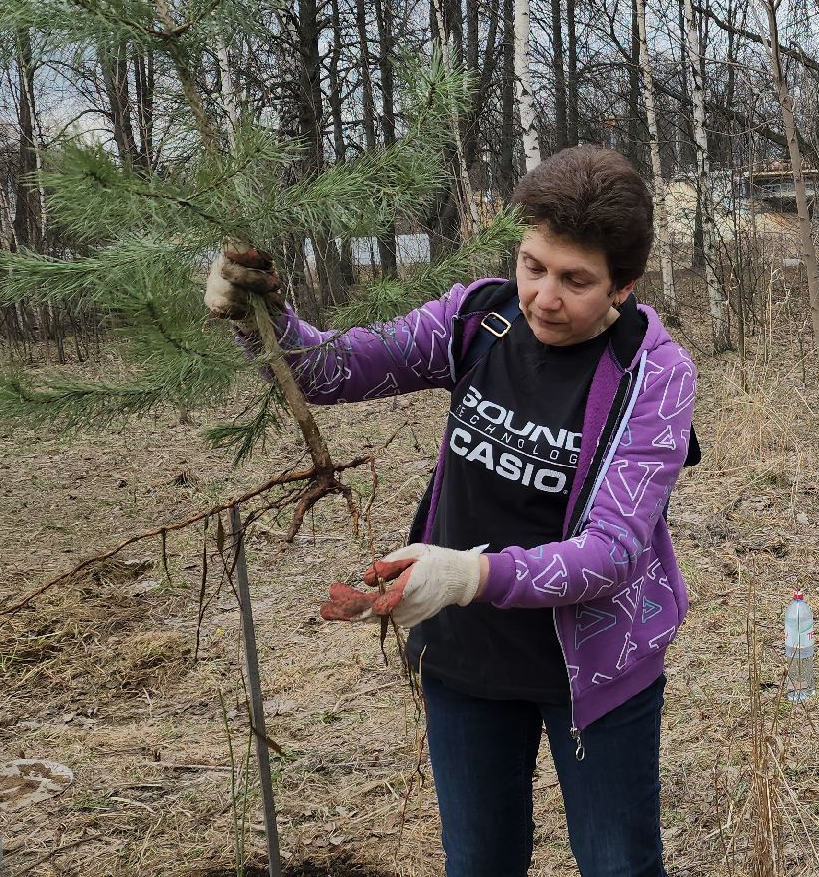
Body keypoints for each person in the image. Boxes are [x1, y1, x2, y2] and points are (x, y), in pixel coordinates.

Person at [204, 145, 698, 877]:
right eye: (533, 265)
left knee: (618, 864)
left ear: (623, 285)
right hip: (466, 662)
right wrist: (261, 317)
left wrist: (468, 574)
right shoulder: (477, 319)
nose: (543, 297)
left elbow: (614, 551)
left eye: (576, 281)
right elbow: (337, 370)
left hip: (594, 669)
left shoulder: (653, 374)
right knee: (478, 863)